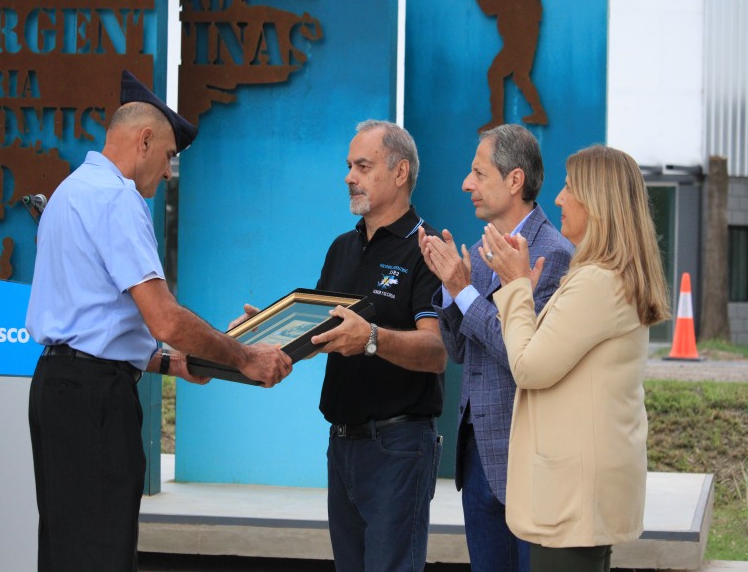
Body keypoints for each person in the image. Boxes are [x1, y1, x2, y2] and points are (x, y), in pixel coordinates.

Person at [26, 70, 292, 572]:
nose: (169, 172)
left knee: (67, 549)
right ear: (144, 140)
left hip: (58, 389)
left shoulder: (68, 192)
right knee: (102, 551)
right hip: (95, 399)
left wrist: (175, 365)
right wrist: (246, 356)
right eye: (169, 156)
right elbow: (164, 318)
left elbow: (98, 324)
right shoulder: (117, 198)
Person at [232, 120, 447, 571]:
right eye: (349, 166)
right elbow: (319, 333)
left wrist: (371, 339)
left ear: (401, 171)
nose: (349, 176)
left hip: (399, 445)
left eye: (363, 166)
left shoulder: (427, 250)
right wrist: (265, 334)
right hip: (342, 445)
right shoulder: (341, 248)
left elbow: (436, 351)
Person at [480, 145, 671, 572]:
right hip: (582, 496)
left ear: (598, 202)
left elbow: (529, 367)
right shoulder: (607, 277)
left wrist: (514, 288)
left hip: (572, 500)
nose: (560, 199)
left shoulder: (599, 283)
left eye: (569, 187)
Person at [418, 123, 573, 572]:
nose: (467, 184)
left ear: (514, 180)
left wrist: (464, 292)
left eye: (478, 173)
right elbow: (464, 351)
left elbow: (523, 355)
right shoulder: (486, 248)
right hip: (477, 454)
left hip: (523, 459)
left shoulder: (552, 252)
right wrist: (450, 292)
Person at [449, 0, 548, 131]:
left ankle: (497, 119)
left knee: (495, 74)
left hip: (519, 41)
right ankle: (539, 113)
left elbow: (490, 9)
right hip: (526, 39)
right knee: (520, 77)